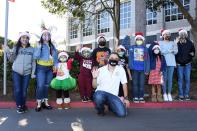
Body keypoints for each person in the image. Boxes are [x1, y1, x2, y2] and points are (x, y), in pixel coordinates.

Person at [4, 32, 36, 113]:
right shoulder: (16, 47)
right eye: (23, 38)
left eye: (26, 38)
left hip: (27, 72)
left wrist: (32, 73)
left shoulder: (32, 49)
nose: (25, 39)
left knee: (24, 90)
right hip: (16, 71)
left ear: (28, 39)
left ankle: (22, 104)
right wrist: (7, 51)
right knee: (18, 90)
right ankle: (19, 105)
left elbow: (33, 62)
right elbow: (11, 59)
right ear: (20, 39)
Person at [92, 52, 130, 117]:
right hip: (101, 93)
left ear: (118, 60)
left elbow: (124, 84)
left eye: (116, 58)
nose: (113, 59)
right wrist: (94, 78)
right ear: (108, 59)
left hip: (113, 96)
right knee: (98, 96)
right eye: (112, 58)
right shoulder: (101, 70)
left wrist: (126, 98)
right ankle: (101, 110)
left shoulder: (121, 69)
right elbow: (94, 86)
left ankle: (111, 106)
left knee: (122, 114)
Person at [34, 29, 58, 112]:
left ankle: (46, 102)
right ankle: (39, 103)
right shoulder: (38, 44)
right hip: (41, 68)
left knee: (47, 86)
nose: (46, 36)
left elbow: (55, 57)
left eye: (48, 35)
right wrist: (39, 47)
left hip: (49, 69)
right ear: (41, 36)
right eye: (44, 35)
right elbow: (35, 57)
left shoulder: (52, 45)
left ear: (50, 36)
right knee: (40, 86)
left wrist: (56, 65)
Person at [128, 32, 150, 103]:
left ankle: (141, 97)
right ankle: (135, 97)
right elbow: (124, 45)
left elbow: (147, 59)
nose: (139, 40)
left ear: (143, 40)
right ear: (135, 40)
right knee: (135, 84)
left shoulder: (145, 49)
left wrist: (147, 69)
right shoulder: (132, 47)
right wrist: (128, 36)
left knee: (141, 84)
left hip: (143, 70)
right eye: (137, 39)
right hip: (134, 69)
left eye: (140, 39)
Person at [175, 29, 195, 101]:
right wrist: (176, 62)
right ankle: (181, 95)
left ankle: (186, 94)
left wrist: (192, 54)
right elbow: (175, 53)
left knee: (187, 79)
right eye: (181, 34)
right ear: (179, 35)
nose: (183, 35)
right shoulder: (177, 43)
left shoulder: (190, 43)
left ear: (186, 35)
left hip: (187, 64)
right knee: (180, 79)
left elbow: (193, 51)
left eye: (184, 33)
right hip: (180, 64)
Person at [159, 29, 178, 102]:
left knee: (170, 80)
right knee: (164, 79)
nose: (167, 35)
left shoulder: (173, 43)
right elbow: (160, 52)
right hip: (164, 63)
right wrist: (169, 50)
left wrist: (175, 44)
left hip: (172, 63)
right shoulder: (160, 43)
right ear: (163, 35)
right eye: (165, 34)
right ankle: (164, 94)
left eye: (168, 34)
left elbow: (176, 51)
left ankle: (169, 93)